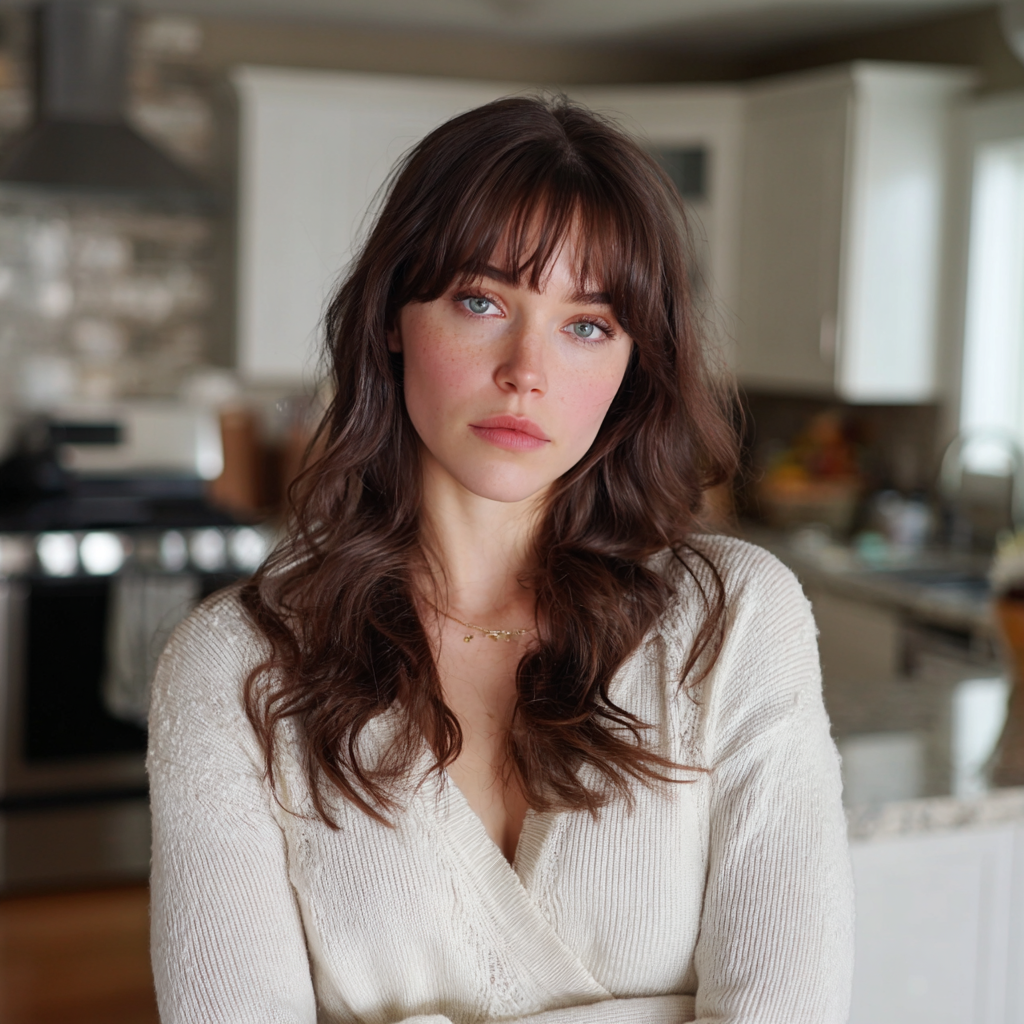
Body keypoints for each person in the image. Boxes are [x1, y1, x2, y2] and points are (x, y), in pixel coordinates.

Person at [148, 96, 854, 1024]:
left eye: (587, 324)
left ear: (634, 363)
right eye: (481, 302)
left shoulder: (733, 622)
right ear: (394, 316)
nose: (528, 368)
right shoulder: (233, 665)